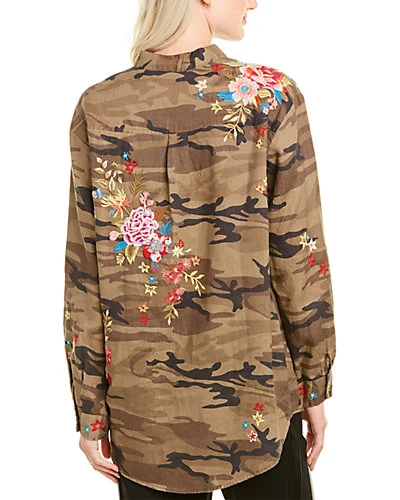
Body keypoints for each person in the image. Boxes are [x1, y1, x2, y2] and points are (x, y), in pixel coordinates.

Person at [63, 0, 336, 498]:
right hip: (258, 405)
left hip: (143, 415)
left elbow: (85, 277)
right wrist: (314, 386)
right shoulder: (270, 97)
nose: (253, 2)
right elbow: (300, 258)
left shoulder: (100, 107)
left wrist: (90, 410)